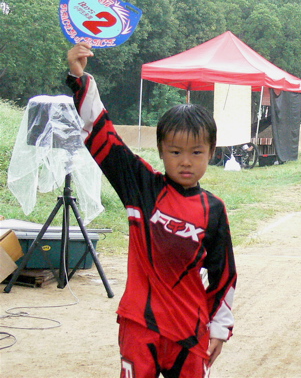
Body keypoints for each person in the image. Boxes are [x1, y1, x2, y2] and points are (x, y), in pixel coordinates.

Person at [66, 43, 237, 378]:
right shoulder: (141, 186)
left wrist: (219, 328)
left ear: (212, 152)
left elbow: (224, 274)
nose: (185, 161)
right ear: (160, 149)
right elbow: (103, 135)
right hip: (139, 324)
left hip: (190, 331)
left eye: (196, 152)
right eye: (175, 151)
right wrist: (79, 76)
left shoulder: (214, 210)